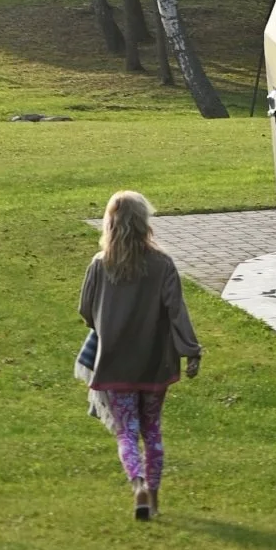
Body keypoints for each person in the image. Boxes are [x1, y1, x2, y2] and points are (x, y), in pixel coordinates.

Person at [79, 189, 201, 522]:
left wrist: (107, 325)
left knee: (127, 432)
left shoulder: (99, 265)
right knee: (152, 430)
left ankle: (138, 486)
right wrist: (191, 350)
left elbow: (86, 310)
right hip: (155, 364)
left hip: (115, 361)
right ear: (144, 223)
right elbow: (177, 312)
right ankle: (156, 499)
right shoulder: (162, 264)